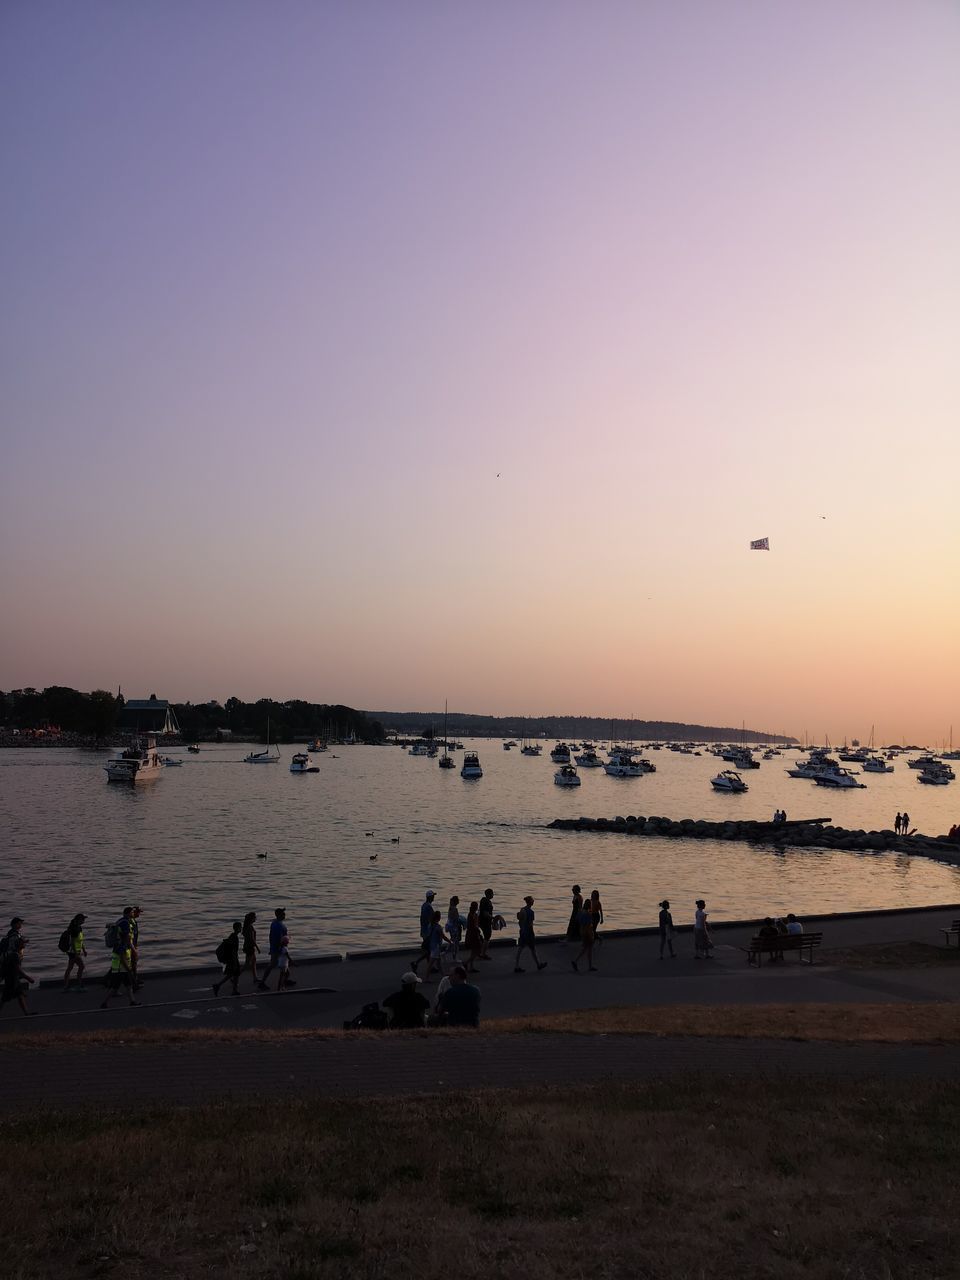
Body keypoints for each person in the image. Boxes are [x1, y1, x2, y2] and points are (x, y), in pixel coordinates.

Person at [101, 908, 140, 1009]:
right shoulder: (122, 946)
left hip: (121, 968)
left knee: (128, 985)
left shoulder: (120, 922)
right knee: (115, 988)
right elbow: (122, 959)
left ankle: (132, 1001)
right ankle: (104, 1003)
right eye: (132, 912)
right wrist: (129, 969)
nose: (133, 913)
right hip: (120, 969)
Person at [1, 930, 36, 1017]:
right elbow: (18, 969)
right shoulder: (15, 955)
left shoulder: (17, 954)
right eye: (23, 943)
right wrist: (28, 978)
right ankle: (26, 1013)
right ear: (19, 944)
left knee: (20, 995)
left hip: (14, 978)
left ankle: (26, 1013)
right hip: (11, 979)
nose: (25, 944)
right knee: (5, 998)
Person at [259, 908, 295, 990]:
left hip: (277, 947)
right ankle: (262, 983)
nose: (284, 915)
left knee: (283, 967)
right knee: (272, 965)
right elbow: (279, 938)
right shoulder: (277, 925)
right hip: (278, 949)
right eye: (283, 914)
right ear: (278, 915)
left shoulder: (275, 922)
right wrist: (281, 949)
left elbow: (271, 936)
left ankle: (284, 980)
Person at [514, 896, 547, 973]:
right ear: (530, 902)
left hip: (522, 931)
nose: (533, 901)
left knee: (522, 949)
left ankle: (517, 965)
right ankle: (538, 964)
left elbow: (520, 920)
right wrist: (531, 933)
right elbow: (530, 924)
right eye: (532, 900)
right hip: (528, 933)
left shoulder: (522, 910)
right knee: (532, 949)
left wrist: (522, 928)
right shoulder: (531, 912)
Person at [213, 920, 243, 997]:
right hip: (233, 959)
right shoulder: (234, 937)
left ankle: (220, 986)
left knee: (233, 974)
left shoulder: (232, 936)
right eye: (240, 927)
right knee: (235, 973)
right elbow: (233, 951)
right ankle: (232, 990)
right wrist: (235, 962)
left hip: (231, 959)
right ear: (237, 928)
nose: (241, 928)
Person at [411, 890, 437, 973]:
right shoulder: (429, 907)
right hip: (428, 931)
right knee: (429, 950)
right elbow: (431, 920)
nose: (434, 897)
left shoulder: (424, 905)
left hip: (423, 930)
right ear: (430, 897)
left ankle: (430, 966)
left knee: (428, 950)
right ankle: (416, 962)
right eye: (433, 896)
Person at [62, 913, 87, 992]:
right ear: (79, 920)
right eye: (83, 919)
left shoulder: (79, 928)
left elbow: (80, 941)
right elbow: (72, 942)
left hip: (75, 951)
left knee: (70, 968)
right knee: (81, 966)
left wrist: (84, 950)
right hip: (73, 952)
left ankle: (67, 986)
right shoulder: (74, 929)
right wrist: (76, 953)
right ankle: (78, 986)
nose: (84, 921)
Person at [571, 898, 596, 972]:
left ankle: (580, 962)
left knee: (585, 948)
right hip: (587, 932)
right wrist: (592, 935)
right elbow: (589, 925)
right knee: (588, 949)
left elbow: (577, 920)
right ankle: (586, 965)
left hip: (581, 931)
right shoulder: (588, 914)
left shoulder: (580, 911)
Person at [241, 911, 260, 989]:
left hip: (247, 946)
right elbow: (252, 939)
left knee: (254, 961)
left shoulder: (246, 926)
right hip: (250, 947)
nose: (256, 918)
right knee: (247, 964)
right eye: (255, 917)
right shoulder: (250, 927)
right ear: (252, 919)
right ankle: (235, 976)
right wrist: (258, 948)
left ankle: (255, 978)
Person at [463, 901, 483, 973]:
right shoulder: (475, 915)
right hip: (474, 934)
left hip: (470, 934)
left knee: (473, 950)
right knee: (477, 950)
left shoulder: (470, 914)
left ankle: (471, 967)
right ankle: (466, 963)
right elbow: (476, 925)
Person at [445, 896, 463, 968]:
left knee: (452, 941)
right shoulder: (455, 909)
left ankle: (444, 953)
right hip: (454, 928)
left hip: (450, 927)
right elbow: (456, 919)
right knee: (455, 943)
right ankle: (455, 958)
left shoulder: (450, 908)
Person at [130, 905, 143, 991]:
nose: (139, 914)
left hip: (132, 946)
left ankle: (135, 980)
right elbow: (130, 936)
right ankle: (134, 982)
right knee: (133, 964)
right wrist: (133, 948)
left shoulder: (133, 921)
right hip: (130, 947)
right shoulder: (130, 922)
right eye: (138, 912)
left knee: (131, 964)